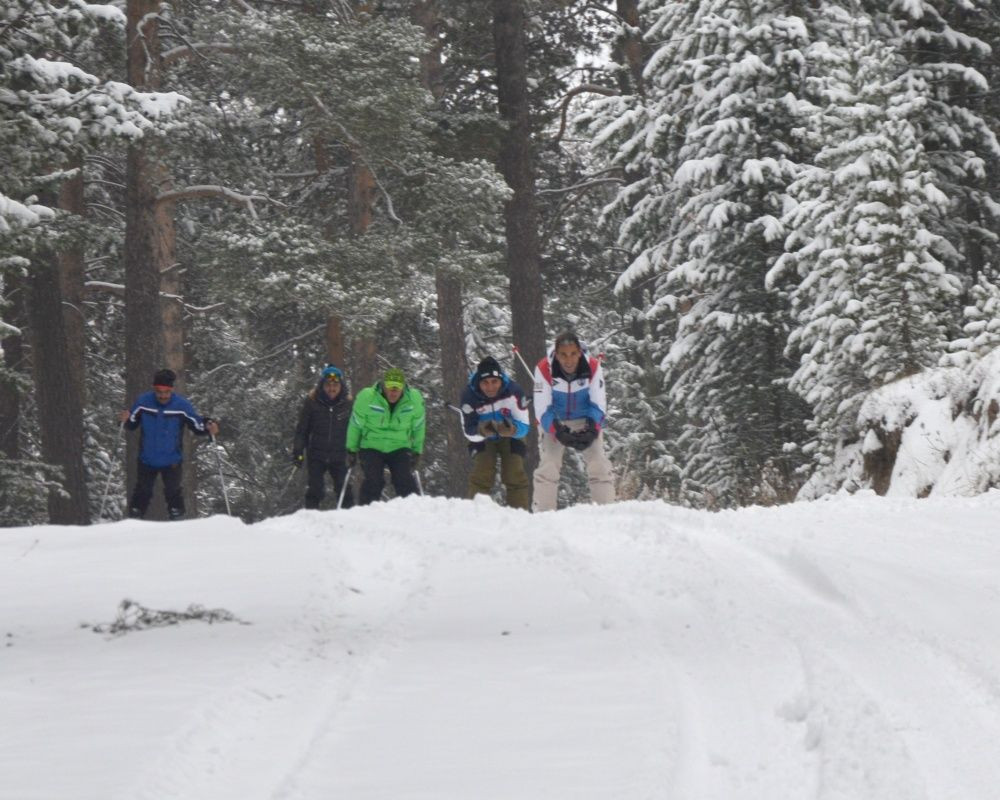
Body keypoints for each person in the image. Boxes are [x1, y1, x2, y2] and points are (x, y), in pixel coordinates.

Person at [118, 368, 219, 520]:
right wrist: (125, 418)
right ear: (154, 389)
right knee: (143, 492)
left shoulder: (181, 406)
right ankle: (133, 522)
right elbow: (131, 424)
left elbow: (197, 425)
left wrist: (208, 425)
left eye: (166, 392)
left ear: (171, 390)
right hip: (147, 459)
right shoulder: (143, 402)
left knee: (173, 492)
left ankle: (178, 525)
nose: (163, 396)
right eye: (159, 391)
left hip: (172, 460)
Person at [532, 332, 615, 512]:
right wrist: (557, 430)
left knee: (599, 462)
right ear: (557, 353)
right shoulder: (544, 368)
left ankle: (606, 512)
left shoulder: (593, 366)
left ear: (579, 352)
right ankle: (544, 515)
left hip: (585, 419)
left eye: (572, 354)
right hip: (555, 421)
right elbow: (541, 409)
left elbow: (599, 404)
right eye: (563, 354)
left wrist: (592, 429)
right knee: (549, 464)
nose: (568, 360)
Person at [346, 367, 425, 505]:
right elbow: (355, 424)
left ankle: (414, 512)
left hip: (399, 446)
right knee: (374, 480)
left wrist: (417, 450)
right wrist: (351, 449)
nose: (393, 392)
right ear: (383, 385)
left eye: (397, 388)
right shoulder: (367, 397)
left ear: (403, 387)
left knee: (404, 479)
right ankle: (366, 512)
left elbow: (419, 426)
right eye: (390, 388)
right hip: (371, 446)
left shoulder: (414, 400)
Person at [460, 356, 531, 509]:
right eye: (485, 382)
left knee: (515, 474)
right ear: (478, 382)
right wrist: (481, 430)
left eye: (494, 382)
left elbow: (525, 425)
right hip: (483, 437)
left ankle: (520, 516)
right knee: (482, 473)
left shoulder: (514, 392)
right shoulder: (469, 396)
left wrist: (513, 430)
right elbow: (468, 430)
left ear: (501, 380)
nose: (490, 387)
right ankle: (475, 515)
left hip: (511, 436)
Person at [292, 364, 354, 509]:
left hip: (339, 454)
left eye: (335, 385)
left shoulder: (347, 403)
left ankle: (350, 519)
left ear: (341, 386)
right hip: (317, 454)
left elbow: (354, 429)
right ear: (322, 385)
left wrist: (354, 450)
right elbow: (302, 429)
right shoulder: (312, 402)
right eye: (328, 385)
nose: (332, 389)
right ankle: (310, 516)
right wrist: (298, 451)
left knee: (344, 488)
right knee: (315, 489)